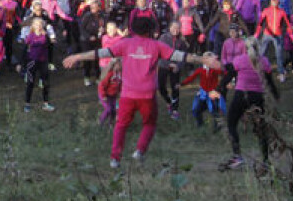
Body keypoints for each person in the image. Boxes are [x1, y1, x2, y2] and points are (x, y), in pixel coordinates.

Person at [63, 16, 222, 168]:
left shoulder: (125, 44)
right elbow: (181, 56)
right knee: (150, 124)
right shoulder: (156, 45)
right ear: (150, 30)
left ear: (133, 30)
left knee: (120, 125)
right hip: (147, 95)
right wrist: (203, 60)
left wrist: (78, 56)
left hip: (127, 94)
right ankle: (140, 150)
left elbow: (100, 53)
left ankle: (115, 158)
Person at [220, 36, 279, 169]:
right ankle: (265, 160)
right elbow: (270, 82)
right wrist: (276, 96)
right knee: (261, 129)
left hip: (241, 95)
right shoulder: (264, 61)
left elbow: (228, 77)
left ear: (244, 48)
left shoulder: (239, 60)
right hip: (258, 97)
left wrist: (219, 88)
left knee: (231, 123)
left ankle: (237, 156)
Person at [181, 53, 226, 131]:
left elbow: (224, 72)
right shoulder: (200, 70)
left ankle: (218, 125)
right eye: (205, 59)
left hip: (213, 93)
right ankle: (200, 124)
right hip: (203, 93)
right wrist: (181, 84)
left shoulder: (214, 69)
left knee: (214, 110)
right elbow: (191, 78)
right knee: (197, 110)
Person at [20, 17, 55, 112]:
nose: (39, 27)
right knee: (30, 83)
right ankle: (27, 104)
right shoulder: (30, 36)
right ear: (33, 26)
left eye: (40, 25)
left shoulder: (45, 35)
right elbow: (24, 49)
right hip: (32, 61)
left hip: (43, 61)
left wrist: (47, 37)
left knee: (45, 83)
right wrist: (22, 64)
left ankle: (46, 103)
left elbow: (50, 47)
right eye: (37, 25)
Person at [98, 58, 122, 126]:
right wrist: (103, 96)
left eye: (120, 64)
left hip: (113, 96)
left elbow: (120, 85)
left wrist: (120, 93)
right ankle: (101, 121)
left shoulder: (120, 74)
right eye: (118, 64)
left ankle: (110, 123)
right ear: (113, 65)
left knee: (114, 110)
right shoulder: (109, 74)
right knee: (108, 109)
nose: (120, 65)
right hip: (105, 95)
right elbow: (101, 86)